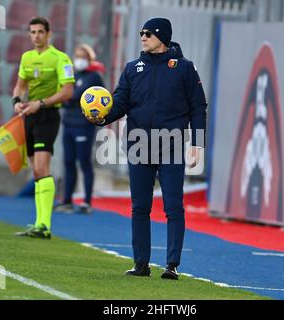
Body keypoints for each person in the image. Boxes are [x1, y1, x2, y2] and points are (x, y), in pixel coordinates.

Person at [87, 18, 207, 280]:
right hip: (139, 145)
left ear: (162, 37)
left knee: (173, 206)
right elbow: (120, 103)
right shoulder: (132, 69)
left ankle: (172, 265)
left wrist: (198, 142)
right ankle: (141, 264)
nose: (142, 37)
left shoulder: (184, 68)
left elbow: (198, 106)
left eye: (147, 33)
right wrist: (102, 118)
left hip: (172, 145)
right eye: (141, 32)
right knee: (140, 206)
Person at [12, 17, 75, 239]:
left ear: (48, 34)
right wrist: (17, 101)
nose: (36, 36)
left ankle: (45, 225)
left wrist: (41, 103)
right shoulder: (27, 58)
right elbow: (20, 85)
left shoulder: (60, 58)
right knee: (36, 170)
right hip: (29, 115)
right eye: (32, 32)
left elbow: (67, 92)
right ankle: (39, 223)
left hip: (47, 115)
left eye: (40, 32)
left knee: (41, 167)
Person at [54, 44, 105, 214]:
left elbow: (74, 96)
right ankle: (67, 200)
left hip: (84, 126)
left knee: (84, 162)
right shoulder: (74, 75)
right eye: (77, 55)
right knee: (68, 162)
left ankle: (87, 201)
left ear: (90, 59)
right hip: (68, 123)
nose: (79, 60)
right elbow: (65, 94)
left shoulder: (94, 77)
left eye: (82, 56)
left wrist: (67, 96)